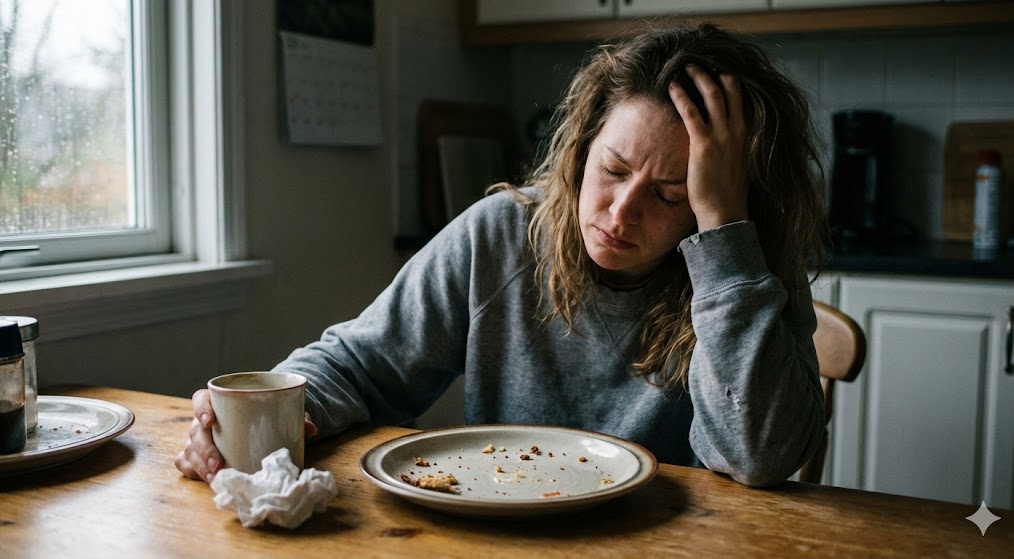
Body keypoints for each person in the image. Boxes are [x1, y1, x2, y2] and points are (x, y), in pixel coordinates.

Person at [176, 23, 827, 488]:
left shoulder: (745, 268)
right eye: (613, 168)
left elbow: (757, 457)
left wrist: (724, 238)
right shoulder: (500, 237)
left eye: (670, 193)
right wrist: (273, 410)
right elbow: (361, 361)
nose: (621, 212)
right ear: (582, 147)